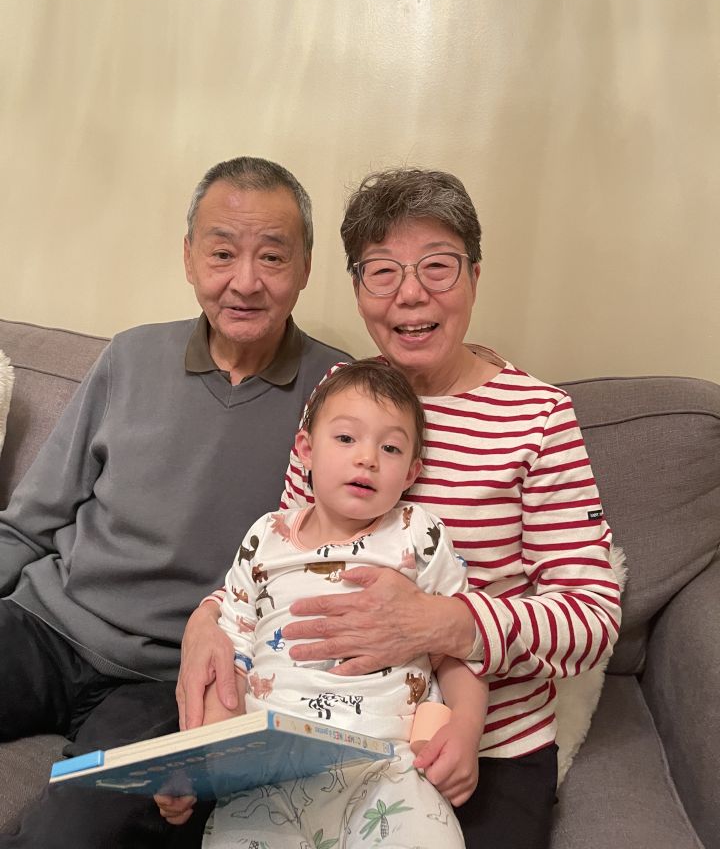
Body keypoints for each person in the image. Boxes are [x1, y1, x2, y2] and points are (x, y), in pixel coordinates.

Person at [178, 167, 622, 849]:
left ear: (474, 276)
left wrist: (443, 624)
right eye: (382, 271)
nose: (411, 294)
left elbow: (592, 618)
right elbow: (287, 549)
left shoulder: (539, 416)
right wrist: (207, 619)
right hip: (309, 730)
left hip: (473, 745)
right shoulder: (339, 395)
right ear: (359, 290)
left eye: (437, 266)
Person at [0, 156, 350, 849]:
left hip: (169, 679)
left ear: (306, 267)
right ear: (189, 257)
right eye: (222, 253)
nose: (244, 281)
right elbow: (29, 521)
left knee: (74, 835)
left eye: (272, 256)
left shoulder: (340, 396)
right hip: (45, 624)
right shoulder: (130, 357)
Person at [157, 360, 487, 848]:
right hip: (266, 777)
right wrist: (200, 762)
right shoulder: (265, 537)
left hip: (388, 770)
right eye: (346, 438)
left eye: (391, 448)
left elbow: (458, 648)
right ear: (306, 450)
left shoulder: (417, 533)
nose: (367, 459)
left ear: (411, 472)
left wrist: (465, 729)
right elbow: (229, 660)